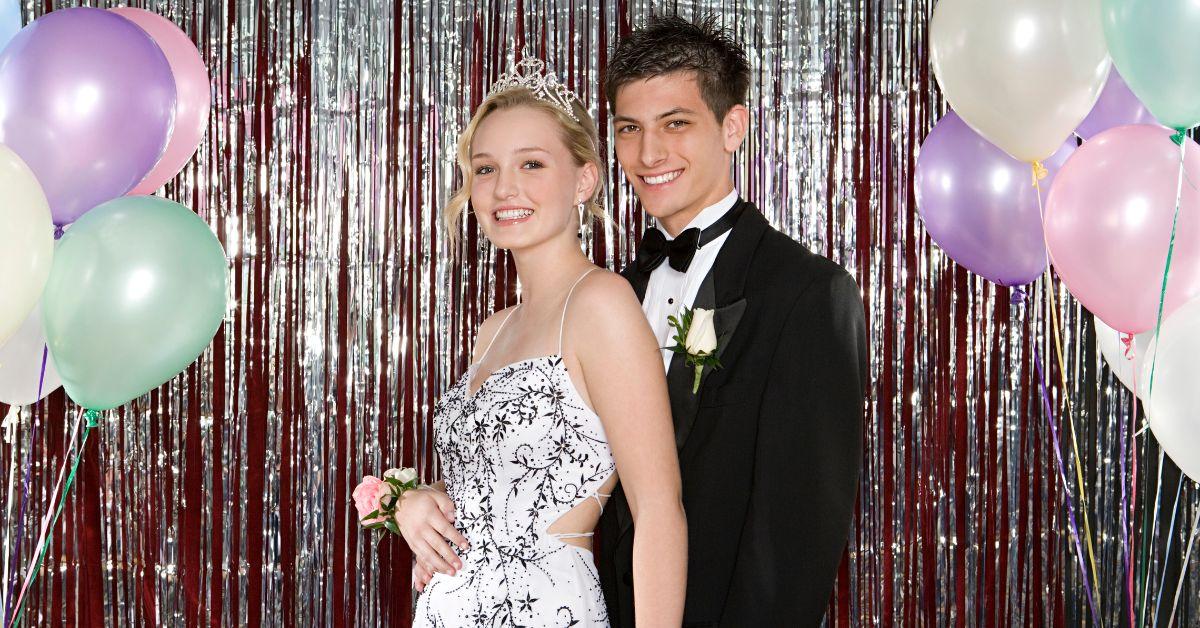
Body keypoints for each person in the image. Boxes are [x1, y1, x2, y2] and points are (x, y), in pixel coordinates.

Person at [595, 15, 869, 627]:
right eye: (629, 129)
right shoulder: (611, 294)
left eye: (676, 124)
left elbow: (795, 544)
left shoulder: (808, 294)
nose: (648, 154)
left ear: (732, 126)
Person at [399, 58, 687, 627]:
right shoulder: (493, 328)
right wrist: (417, 504)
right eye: (485, 169)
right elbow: (495, 480)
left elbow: (658, 512)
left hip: (545, 608)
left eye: (531, 163)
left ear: (584, 179)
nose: (503, 188)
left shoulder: (601, 304)